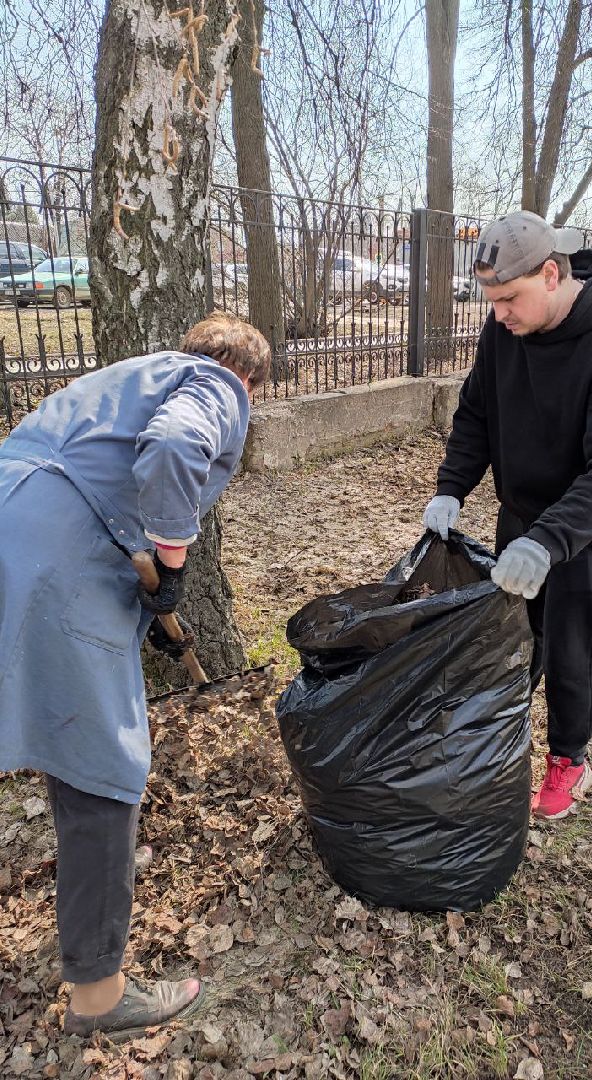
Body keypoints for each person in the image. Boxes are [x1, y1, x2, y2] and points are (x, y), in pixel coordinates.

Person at [0, 311, 271, 1038]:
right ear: (249, 377)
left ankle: (102, 867)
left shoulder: (126, 378)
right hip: (58, 566)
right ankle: (97, 993)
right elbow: (178, 447)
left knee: (52, 723)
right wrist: (173, 566)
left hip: (11, 528)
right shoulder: (216, 383)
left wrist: (146, 598)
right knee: (102, 764)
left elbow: (100, 474)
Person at [423, 211, 592, 820]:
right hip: (520, 513)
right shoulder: (504, 331)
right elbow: (476, 414)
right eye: (491, 302)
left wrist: (549, 542)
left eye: (509, 299)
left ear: (551, 274)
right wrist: (452, 488)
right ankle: (501, 738)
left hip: (582, 528)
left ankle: (569, 759)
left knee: (570, 643)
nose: (498, 315)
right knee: (515, 636)